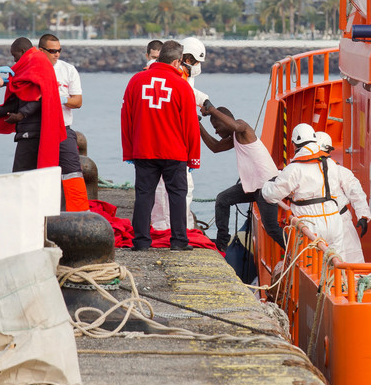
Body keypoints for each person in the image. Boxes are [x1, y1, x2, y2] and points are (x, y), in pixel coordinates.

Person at [121, 40, 200, 251]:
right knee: (177, 196)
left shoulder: (136, 81)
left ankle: (141, 242)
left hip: (143, 149)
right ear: (177, 61)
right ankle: (179, 241)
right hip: (174, 152)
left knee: (144, 195)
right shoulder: (181, 86)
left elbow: (126, 118)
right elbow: (191, 126)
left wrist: (128, 150)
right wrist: (194, 157)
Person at [199, 104, 285, 252]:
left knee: (272, 228)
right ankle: (221, 244)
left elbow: (236, 126)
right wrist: (197, 124)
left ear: (225, 121)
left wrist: (212, 110)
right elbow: (215, 147)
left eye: (216, 126)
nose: (216, 131)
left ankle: (294, 250)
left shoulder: (242, 128)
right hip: (254, 187)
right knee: (222, 199)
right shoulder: (234, 137)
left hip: (267, 185)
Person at [0, 38, 66, 172]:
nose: (14, 60)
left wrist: (21, 115)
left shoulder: (38, 62)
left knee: (22, 173)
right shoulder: (28, 66)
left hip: (35, 131)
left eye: (15, 55)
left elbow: (40, 98)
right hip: (26, 130)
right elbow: (16, 101)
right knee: (27, 173)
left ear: (23, 51)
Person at [262, 124, 345, 258]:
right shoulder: (330, 163)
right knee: (338, 264)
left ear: (294, 144)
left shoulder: (294, 168)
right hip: (334, 219)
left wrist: (267, 184)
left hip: (309, 223)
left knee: (308, 263)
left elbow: (271, 195)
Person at [151, 36, 208, 231]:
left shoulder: (181, 75)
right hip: (173, 142)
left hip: (167, 141)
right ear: (188, 58)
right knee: (171, 190)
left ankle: (174, 226)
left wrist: (204, 100)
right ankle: (170, 228)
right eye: (197, 61)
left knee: (174, 189)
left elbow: (190, 92)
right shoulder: (175, 77)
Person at [38, 34, 89, 211]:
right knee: (39, 174)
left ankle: (80, 214)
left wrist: (60, 99)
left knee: (73, 173)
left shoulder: (68, 70)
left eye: (59, 50)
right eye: (52, 51)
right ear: (41, 51)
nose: (56, 54)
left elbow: (78, 101)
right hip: (39, 129)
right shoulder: (34, 69)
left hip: (63, 130)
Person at [316, 131, 370, 263]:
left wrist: (363, 216)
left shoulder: (339, 171)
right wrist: (363, 216)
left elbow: (355, 192)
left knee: (351, 258)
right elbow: (356, 193)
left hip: (337, 221)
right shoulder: (339, 170)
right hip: (325, 221)